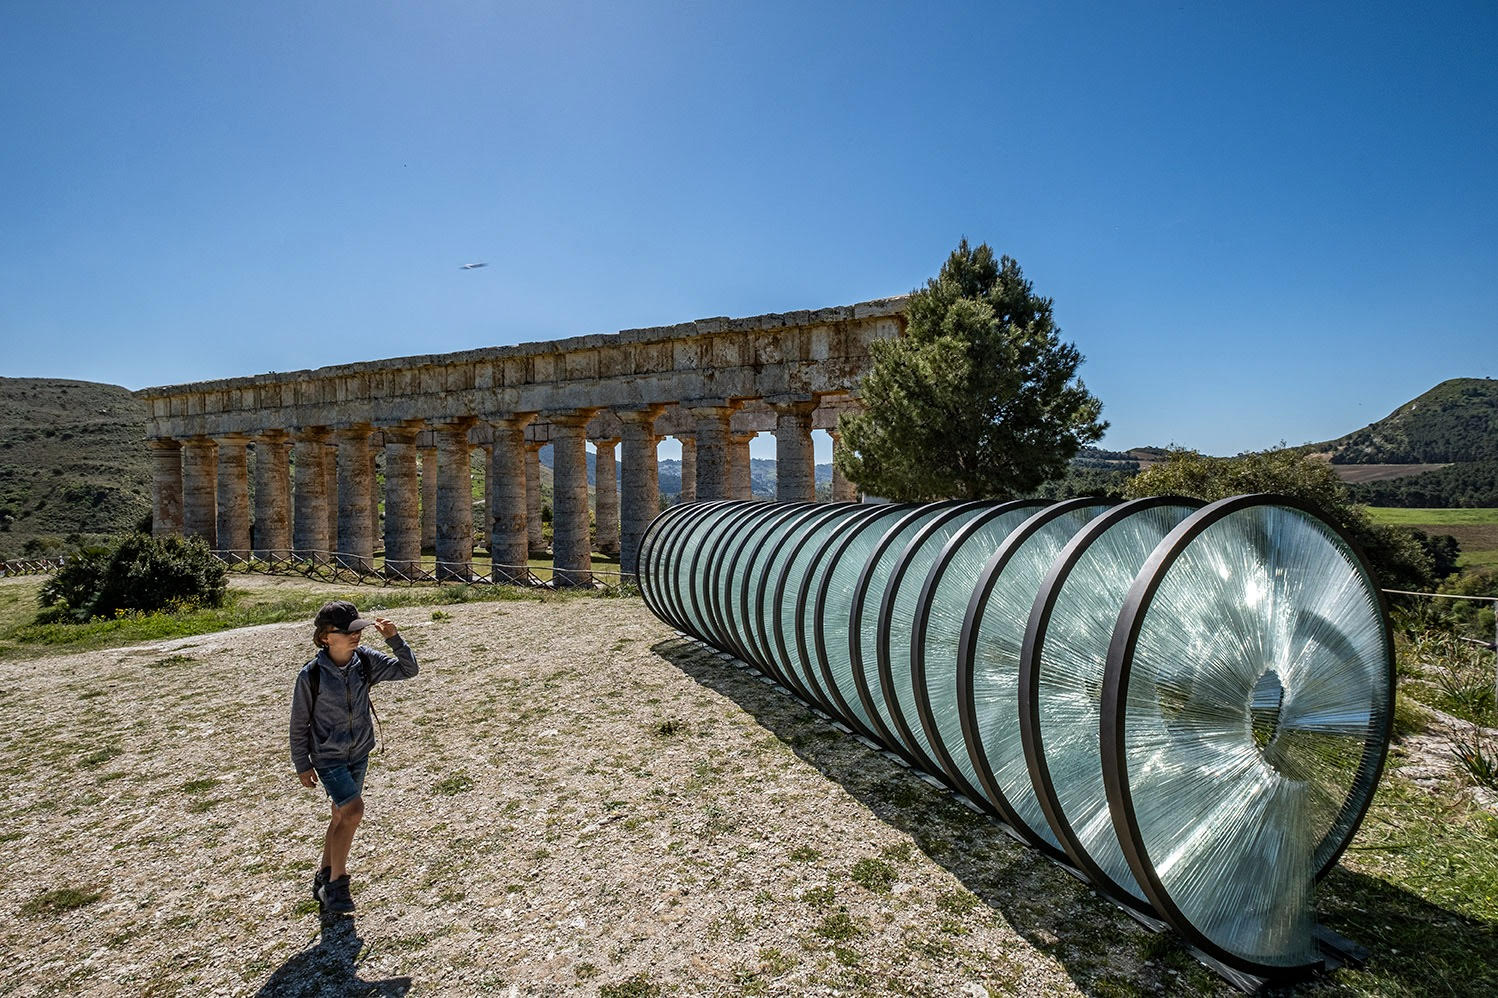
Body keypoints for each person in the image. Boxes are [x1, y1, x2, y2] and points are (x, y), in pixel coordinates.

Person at [289, 600, 419, 914]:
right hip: (327, 756)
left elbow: (408, 670)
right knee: (354, 810)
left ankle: (323, 879)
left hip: (360, 751)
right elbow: (299, 723)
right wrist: (302, 764)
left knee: (341, 816)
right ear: (325, 637)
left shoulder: (365, 661)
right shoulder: (311, 676)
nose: (355, 636)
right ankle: (338, 883)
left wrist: (394, 639)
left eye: (357, 630)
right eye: (347, 632)